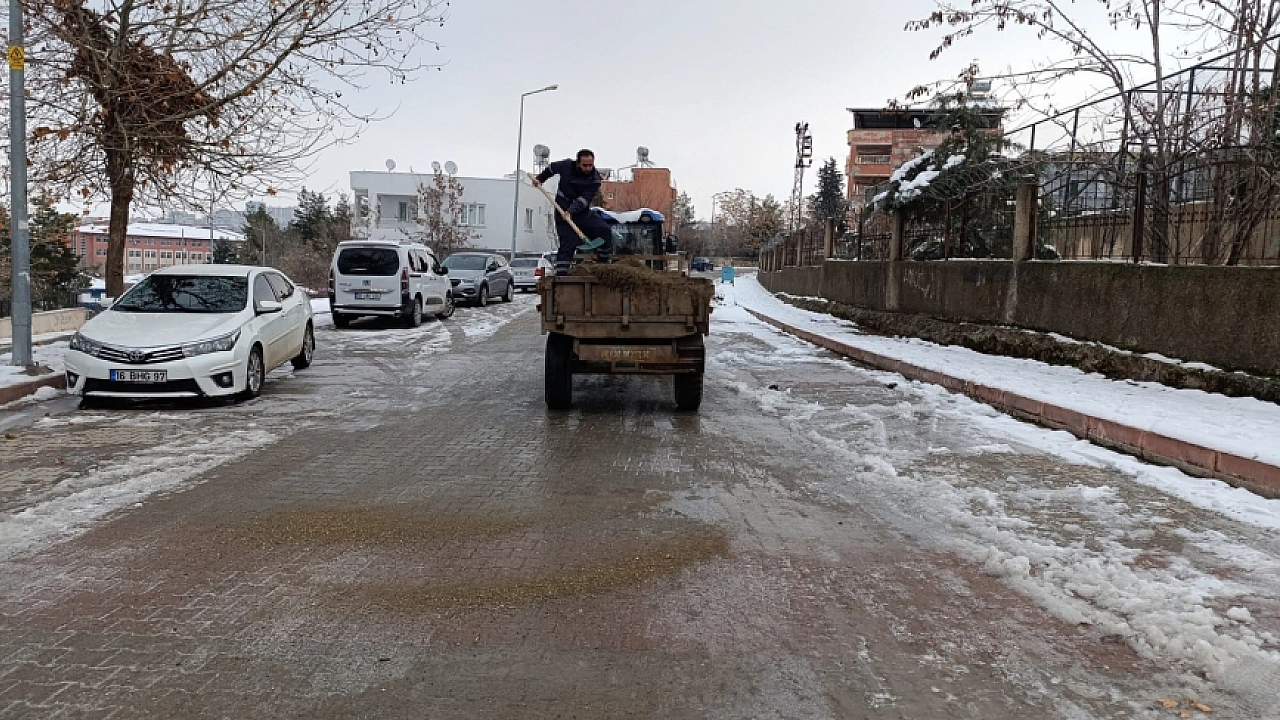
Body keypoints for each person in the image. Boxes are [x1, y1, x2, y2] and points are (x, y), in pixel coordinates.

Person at [532, 149, 612, 275]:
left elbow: (584, 199)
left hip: (582, 213)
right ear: (578, 163)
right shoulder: (566, 166)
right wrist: (540, 179)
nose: (588, 168)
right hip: (562, 212)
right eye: (585, 165)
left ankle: (603, 263)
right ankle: (562, 276)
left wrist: (571, 211)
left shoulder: (595, 179)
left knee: (604, 231)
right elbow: (551, 169)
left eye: (590, 165)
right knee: (568, 243)